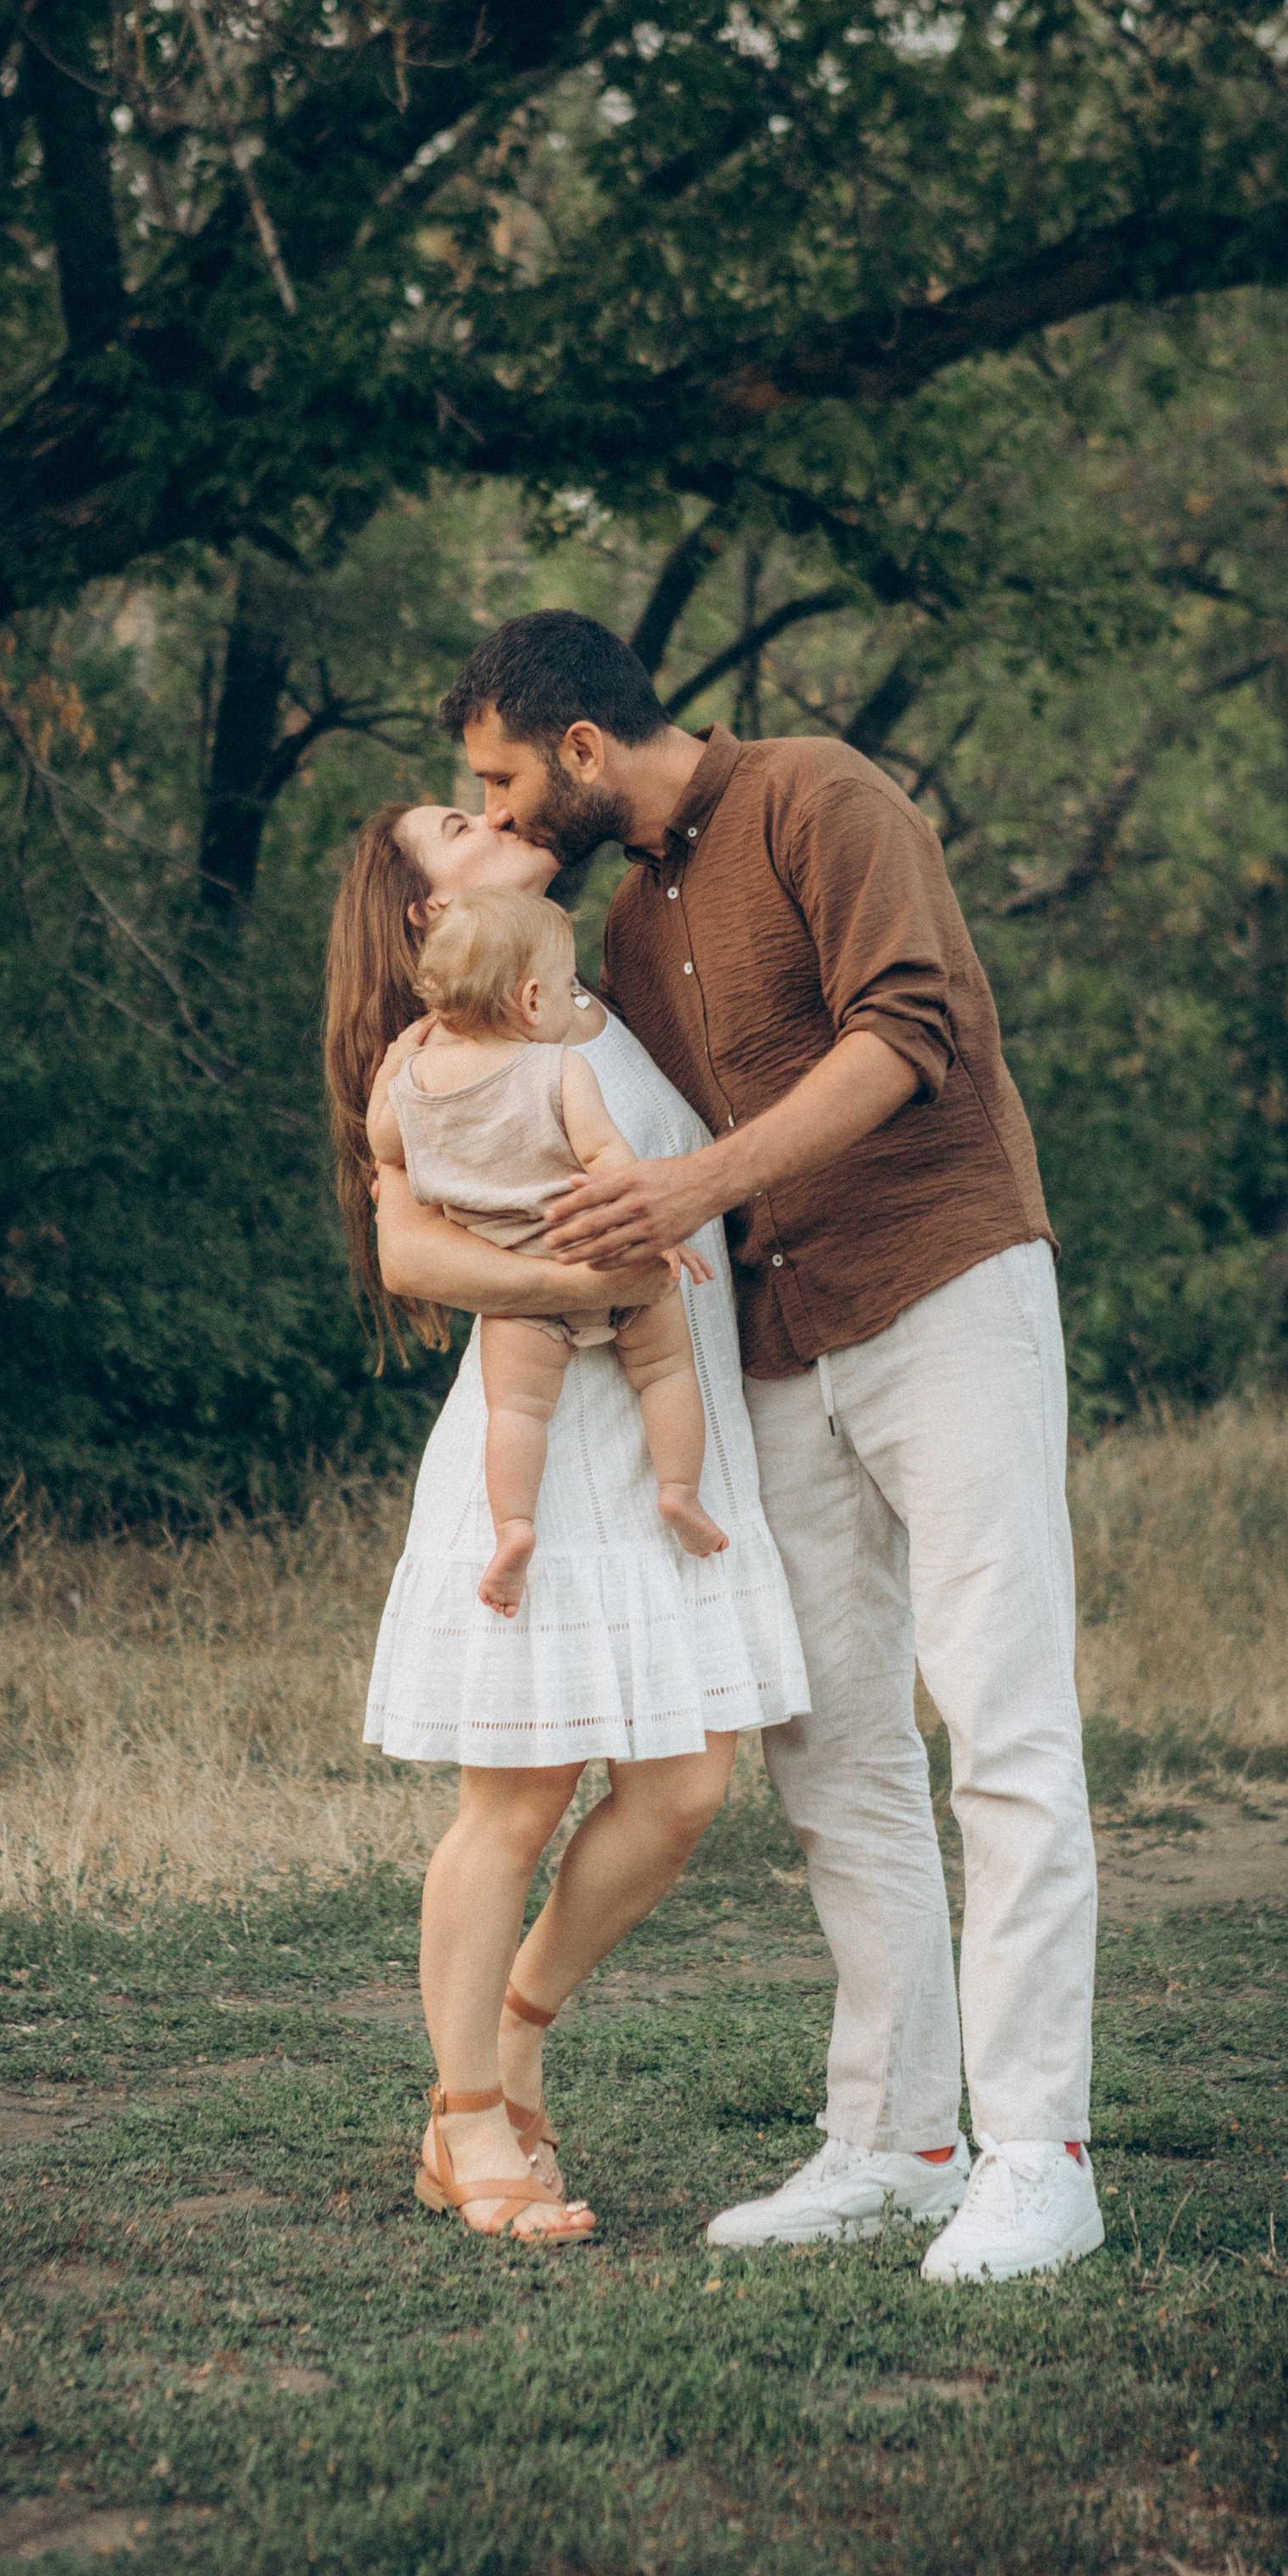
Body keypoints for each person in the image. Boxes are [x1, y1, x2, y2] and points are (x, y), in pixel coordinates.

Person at [400, 609, 1101, 2287]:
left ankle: (1038, 2156)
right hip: (778, 1351)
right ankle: (898, 2143)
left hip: (944, 1291)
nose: (495, 813)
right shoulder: (617, 927)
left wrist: (693, 1192)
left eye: (499, 780)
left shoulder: (818, 797)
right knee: (834, 1752)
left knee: (1000, 1721)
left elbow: (908, 1032)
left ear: (579, 747)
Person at [323, 800, 809, 2246]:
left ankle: (518, 2029)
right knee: (518, 1801)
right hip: (538, 1441)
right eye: (459, 820)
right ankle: (466, 2116)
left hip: (673, 1442)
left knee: (685, 1791)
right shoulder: (438, 1047)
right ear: (428, 913)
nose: (497, 811)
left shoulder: (598, 988)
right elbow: (409, 1253)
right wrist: (590, 1289)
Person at [369, 887, 728, 1618]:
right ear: (533, 1001)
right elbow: (609, 1159)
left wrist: (392, 1070)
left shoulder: (414, 1085)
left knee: (517, 1413)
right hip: (605, 1258)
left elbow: (384, 1145)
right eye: (567, 987)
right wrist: (660, 1231)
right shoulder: (560, 1070)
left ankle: (514, 1530)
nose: (572, 999)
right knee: (666, 1372)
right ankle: (679, 1492)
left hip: (518, 1297)